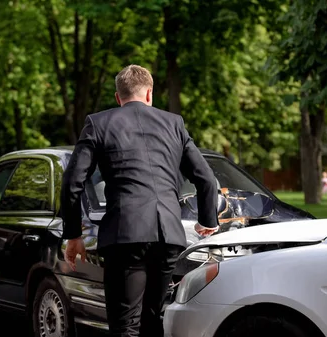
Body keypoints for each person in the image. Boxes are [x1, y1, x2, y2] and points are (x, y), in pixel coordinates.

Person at [61, 64, 219, 337]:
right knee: (152, 320)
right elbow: (206, 178)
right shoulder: (174, 123)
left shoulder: (98, 123)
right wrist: (207, 220)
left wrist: (74, 234)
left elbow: (72, 182)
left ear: (117, 97)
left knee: (125, 325)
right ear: (149, 94)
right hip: (169, 235)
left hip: (126, 236)